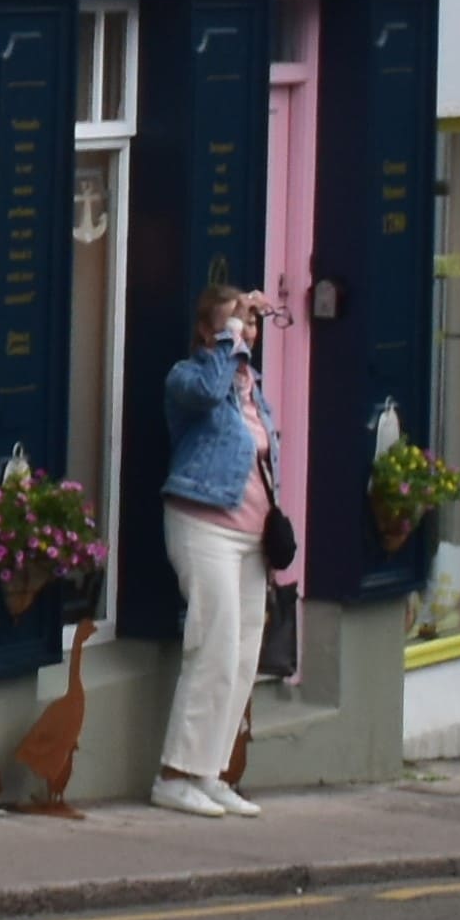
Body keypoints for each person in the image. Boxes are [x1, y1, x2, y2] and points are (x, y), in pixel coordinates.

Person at [155, 280, 283, 818]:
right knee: (213, 646)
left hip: (251, 540)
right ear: (208, 333)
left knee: (242, 657)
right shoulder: (188, 377)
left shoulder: (254, 390)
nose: (246, 332)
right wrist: (230, 335)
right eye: (232, 324)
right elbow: (208, 393)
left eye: (250, 323)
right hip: (204, 526)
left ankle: (209, 771)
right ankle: (173, 776)